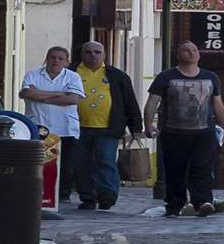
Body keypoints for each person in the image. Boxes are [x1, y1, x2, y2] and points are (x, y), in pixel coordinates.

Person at [144, 41, 224, 218]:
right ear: (178, 55)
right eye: (186, 50)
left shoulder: (211, 77)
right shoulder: (166, 77)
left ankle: (202, 202)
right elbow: (153, 101)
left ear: (199, 54)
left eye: (194, 50)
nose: (191, 53)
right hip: (173, 132)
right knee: (175, 170)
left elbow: (218, 104)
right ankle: (174, 205)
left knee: (202, 168)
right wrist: (148, 124)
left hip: (204, 132)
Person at [70, 41, 144, 211]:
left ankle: (107, 194)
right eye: (88, 52)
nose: (93, 55)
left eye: (97, 52)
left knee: (106, 160)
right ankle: (88, 197)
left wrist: (136, 128)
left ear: (104, 55)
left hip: (108, 128)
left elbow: (130, 102)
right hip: (76, 128)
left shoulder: (117, 76)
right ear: (82, 54)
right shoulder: (71, 72)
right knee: (81, 164)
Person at [20, 45, 85, 199]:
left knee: (64, 164)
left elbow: (73, 99)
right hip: (39, 126)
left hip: (65, 127)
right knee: (40, 161)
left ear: (67, 62)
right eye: (52, 57)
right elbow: (26, 93)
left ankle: (62, 194)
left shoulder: (73, 77)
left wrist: (40, 94)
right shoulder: (33, 74)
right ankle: (40, 193)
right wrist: (59, 94)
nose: (56, 61)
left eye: (60, 58)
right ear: (46, 59)